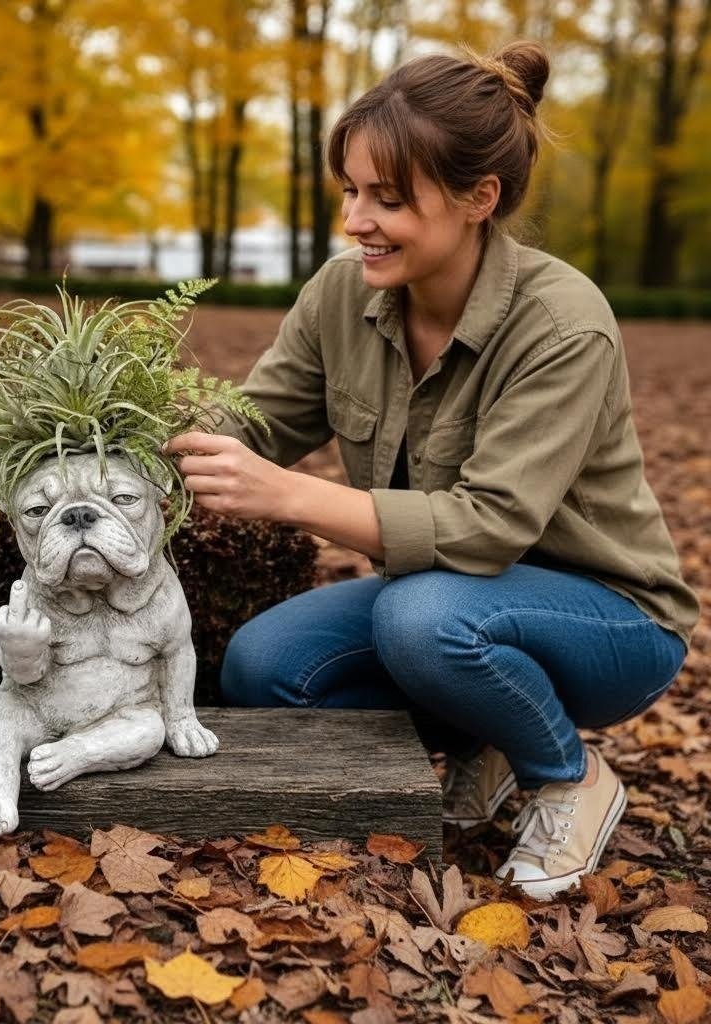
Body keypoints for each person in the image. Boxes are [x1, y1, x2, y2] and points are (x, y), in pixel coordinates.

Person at [160, 40, 699, 901]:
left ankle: (567, 776)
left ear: (479, 198)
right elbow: (256, 421)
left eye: (388, 198)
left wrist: (290, 495)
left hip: (609, 619)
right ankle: (483, 745)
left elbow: (489, 527)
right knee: (264, 670)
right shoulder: (341, 295)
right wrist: (126, 431)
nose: (355, 221)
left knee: (420, 619)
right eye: (349, 191)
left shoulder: (563, 323)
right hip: (452, 600)